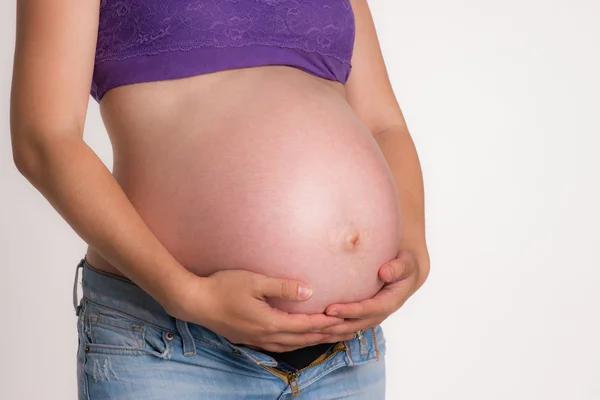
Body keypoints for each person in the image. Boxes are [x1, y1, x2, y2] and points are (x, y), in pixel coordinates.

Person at [10, 0, 430, 398]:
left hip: (346, 356)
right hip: (172, 350)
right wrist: (187, 295)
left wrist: (411, 244)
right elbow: (44, 139)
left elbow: (382, 124)